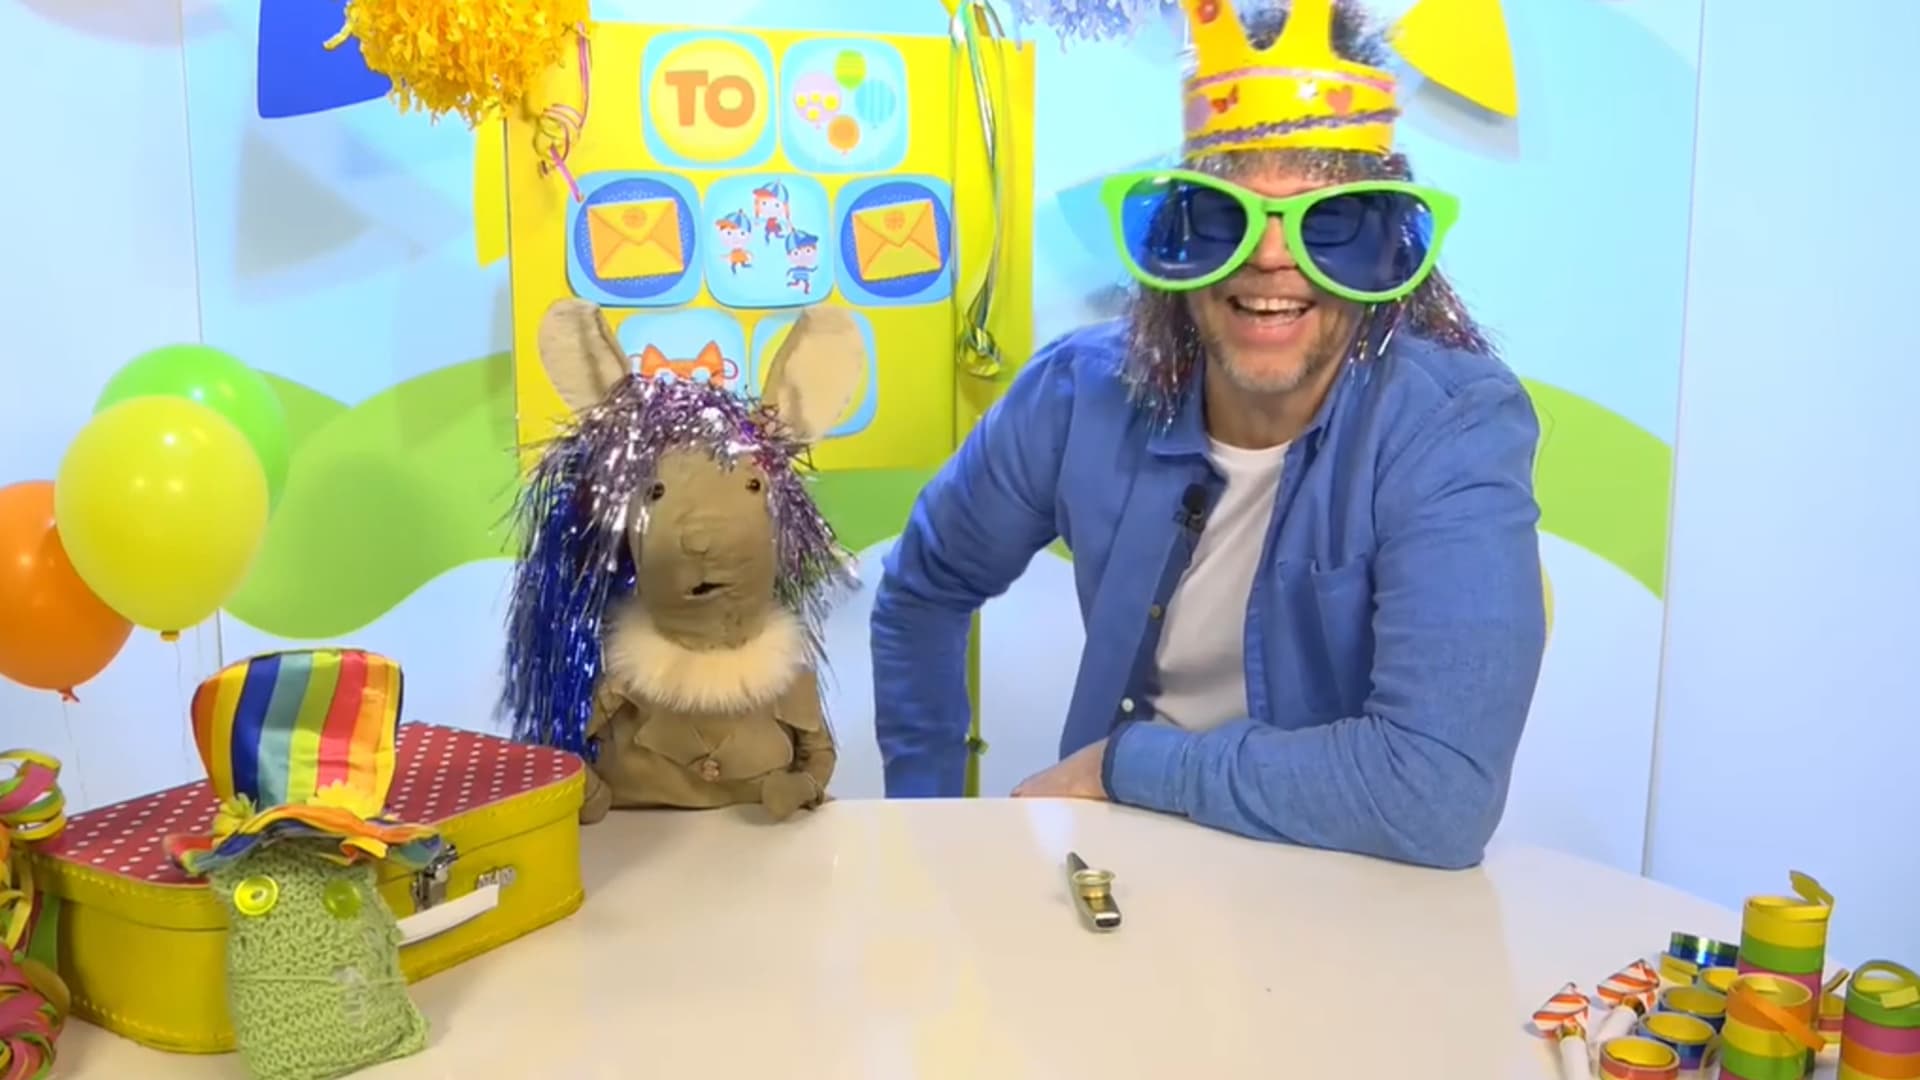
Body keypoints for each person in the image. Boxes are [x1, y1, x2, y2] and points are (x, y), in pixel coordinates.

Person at [868, 0, 1546, 870]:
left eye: (1329, 225)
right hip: (1112, 886)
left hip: (1341, 893)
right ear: (1176, 240)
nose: (1270, 258)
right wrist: (925, 825)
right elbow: (925, 586)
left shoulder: (1451, 428)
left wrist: (1124, 768)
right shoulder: (1079, 395)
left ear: (1388, 252)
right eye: (1225, 218)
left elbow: (1436, 795)